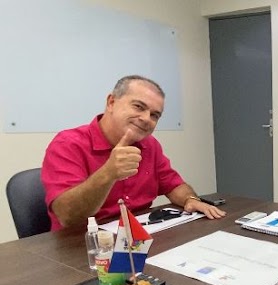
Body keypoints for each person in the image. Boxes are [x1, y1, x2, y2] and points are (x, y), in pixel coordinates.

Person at [42, 75, 225, 230]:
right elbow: (67, 216)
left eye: (155, 115)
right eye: (138, 106)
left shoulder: (149, 145)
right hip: (83, 249)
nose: (146, 119)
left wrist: (189, 199)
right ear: (111, 102)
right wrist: (108, 173)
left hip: (138, 240)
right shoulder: (67, 144)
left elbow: (172, 184)